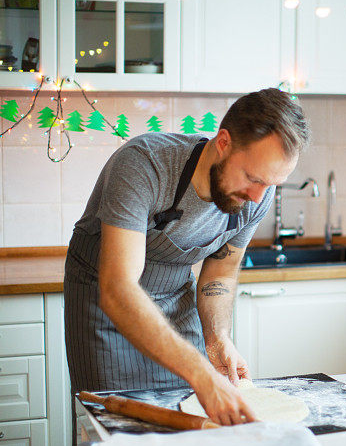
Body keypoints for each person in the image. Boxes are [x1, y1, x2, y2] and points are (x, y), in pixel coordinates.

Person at [64, 88, 310, 425]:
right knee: (119, 428)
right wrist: (202, 373)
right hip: (105, 302)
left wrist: (217, 338)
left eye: (272, 184)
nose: (258, 197)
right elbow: (118, 287)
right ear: (223, 142)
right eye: (253, 179)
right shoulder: (144, 164)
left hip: (176, 296)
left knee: (191, 419)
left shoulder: (256, 196)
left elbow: (220, 275)